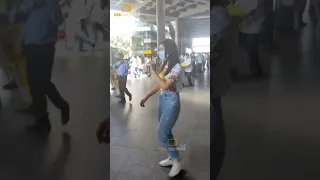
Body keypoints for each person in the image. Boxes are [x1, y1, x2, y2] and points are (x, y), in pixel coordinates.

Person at [9, 0, 70, 133]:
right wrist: (23, 8)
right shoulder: (27, 5)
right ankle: (42, 121)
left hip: (45, 48)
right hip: (30, 48)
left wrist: (55, 11)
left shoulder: (51, 5)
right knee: (33, 83)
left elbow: (58, 21)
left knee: (42, 83)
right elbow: (12, 18)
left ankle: (61, 107)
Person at [140, 39, 183, 178]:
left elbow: (165, 86)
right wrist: (147, 95)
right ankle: (171, 156)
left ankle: (177, 160)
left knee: (162, 133)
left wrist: (153, 71)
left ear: (169, 50)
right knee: (167, 131)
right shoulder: (165, 64)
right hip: (162, 99)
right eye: (159, 49)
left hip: (171, 101)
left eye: (161, 49)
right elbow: (160, 84)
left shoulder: (177, 67)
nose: (159, 52)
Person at [211, 0, 233, 178]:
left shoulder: (219, 16)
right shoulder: (219, 16)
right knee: (217, 137)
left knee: (217, 134)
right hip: (213, 87)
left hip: (213, 87)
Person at [235, 0, 264, 78]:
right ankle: (255, 71)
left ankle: (255, 71)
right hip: (252, 29)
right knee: (252, 52)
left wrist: (245, 19)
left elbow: (234, 16)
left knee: (250, 52)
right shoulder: (256, 2)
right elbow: (262, 16)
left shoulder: (239, 2)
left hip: (247, 30)